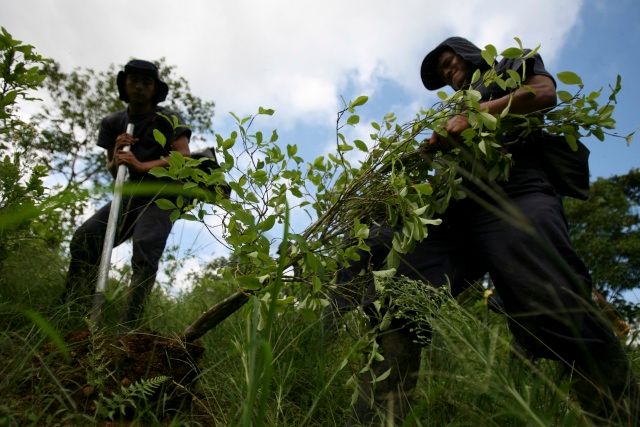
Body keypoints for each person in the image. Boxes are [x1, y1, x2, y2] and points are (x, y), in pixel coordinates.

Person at [329, 37, 638, 424]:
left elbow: (543, 94)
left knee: (553, 295)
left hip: (516, 191)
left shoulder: (511, 66)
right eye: (442, 71)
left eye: (448, 61)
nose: (446, 71)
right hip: (456, 205)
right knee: (399, 295)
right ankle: (375, 418)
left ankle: (618, 416)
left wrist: (479, 114)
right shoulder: (451, 106)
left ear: (469, 52)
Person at [62, 59, 191, 326]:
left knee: (145, 248)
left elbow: (184, 157)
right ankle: (72, 312)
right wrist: (118, 156)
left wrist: (142, 165)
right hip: (131, 195)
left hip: (163, 195)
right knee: (85, 238)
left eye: (146, 83)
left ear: (155, 88)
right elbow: (114, 172)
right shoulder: (113, 123)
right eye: (134, 81)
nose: (140, 87)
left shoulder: (168, 119)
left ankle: (127, 327)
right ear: (125, 84)